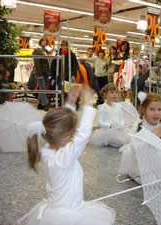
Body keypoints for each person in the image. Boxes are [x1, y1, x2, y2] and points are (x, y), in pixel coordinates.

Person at [17, 87, 115, 225]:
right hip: (67, 216)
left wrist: (70, 104)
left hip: (60, 210)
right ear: (68, 136)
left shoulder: (48, 150)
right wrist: (88, 106)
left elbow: (60, 126)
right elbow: (83, 135)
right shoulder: (63, 159)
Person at [117, 92, 161, 184]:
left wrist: (160, 147)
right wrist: (152, 138)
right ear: (143, 109)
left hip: (157, 159)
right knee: (149, 180)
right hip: (141, 162)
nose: (156, 113)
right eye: (152, 109)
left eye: (159, 109)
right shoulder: (139, 125)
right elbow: (135, 148)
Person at [90, 84, 135, 148]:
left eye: (116, 93)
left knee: (130, 137)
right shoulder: (103, 107)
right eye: (112, 93)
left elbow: (121, 119)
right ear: (105, 94)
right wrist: (110, 125)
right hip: (107, 131)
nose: (115, 94)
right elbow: (99, 123)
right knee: (122, 141)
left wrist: (121, 125)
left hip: (118, 129)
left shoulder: (118, 106)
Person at [32, 37, 50, 111]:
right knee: (43, 88)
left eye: (46, 41)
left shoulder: (45, 51)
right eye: (43, 40)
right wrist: (39, 74)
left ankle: (39, 103)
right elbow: (36, 63)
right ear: (40, 42)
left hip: (45, 72)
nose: (44, 42)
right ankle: (45, 104)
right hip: (40, 73)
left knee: (43, 88)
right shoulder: (37, 50)